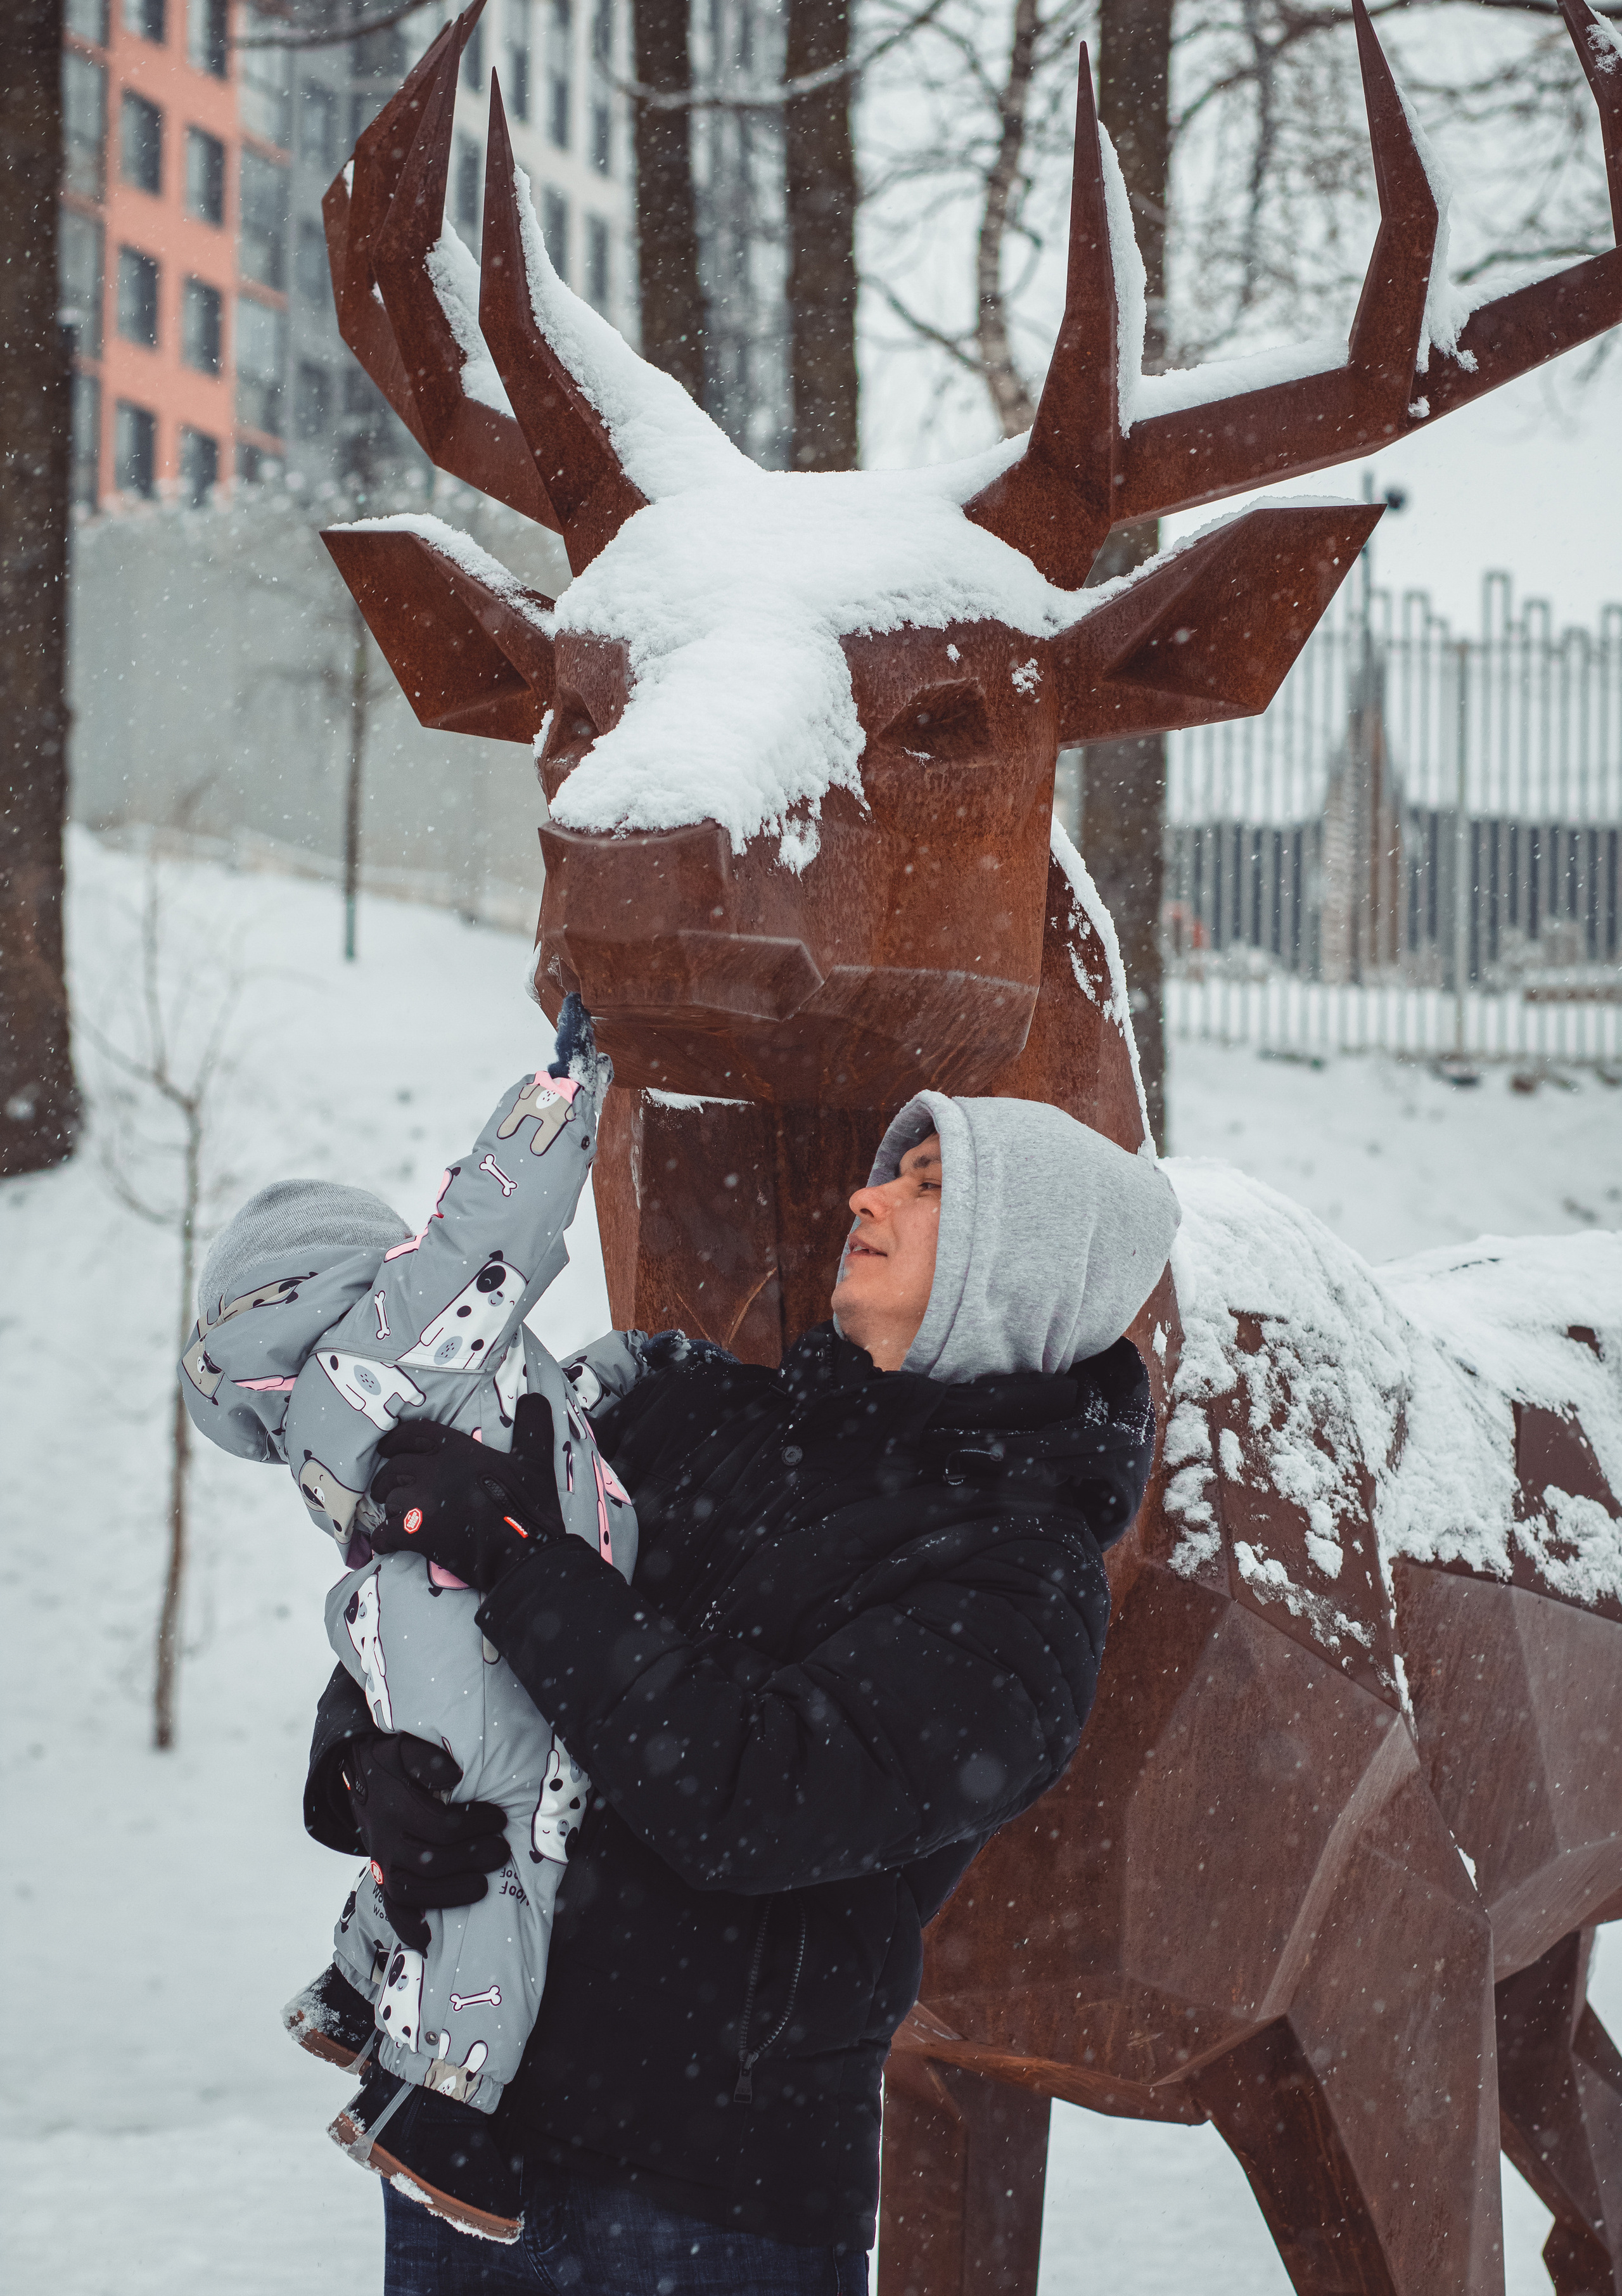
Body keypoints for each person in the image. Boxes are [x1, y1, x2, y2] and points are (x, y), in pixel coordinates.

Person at [305, 1087, 1182, 2293]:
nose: (865, 1196)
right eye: (890, 1172)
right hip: (464, 2138)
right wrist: (367, 1763)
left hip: (713, 2208)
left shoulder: (1023, 1583)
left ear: (1018, 1266)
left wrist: (521, 1560)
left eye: (929, 1187)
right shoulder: (698, 1411)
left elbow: (746, 1798)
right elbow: (432, 1602)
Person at [179, 997, 644, 2241]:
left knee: (425, 1816)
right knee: (503, 1830)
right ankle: (445, 2107)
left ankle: (352, 1987)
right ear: (348, 1263)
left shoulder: (325, 1421)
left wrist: (627, 1367)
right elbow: (501, 1215)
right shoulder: (388, 1329)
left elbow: (545, 1396)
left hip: (399, 1616)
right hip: (478, 1616)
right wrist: (562, 1093)